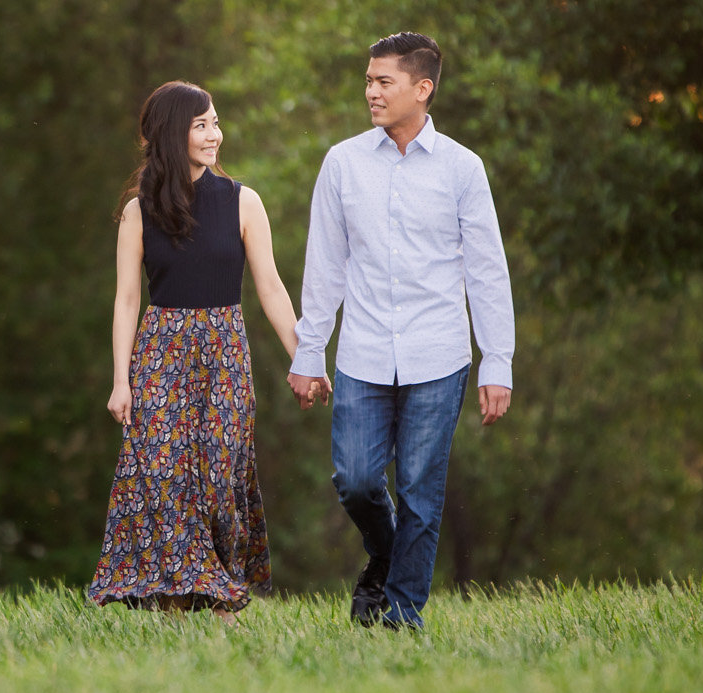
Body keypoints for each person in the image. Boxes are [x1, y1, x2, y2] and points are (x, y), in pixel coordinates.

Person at [287, 33, 515, 627]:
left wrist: (498, 361)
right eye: (368, 80)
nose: (370, 92)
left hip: (438, 355)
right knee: (357, 480)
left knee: (420, 492)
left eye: (383, 81)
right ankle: (385, 562)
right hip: (361, 352)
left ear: (423, 88)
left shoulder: (464, 169)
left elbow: (488, 270)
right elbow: (325, 266)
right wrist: (309, 351)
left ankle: (400, 615)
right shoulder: (343, 163)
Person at [88, 81, 305, 615]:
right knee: (164, 478)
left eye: (216, 123)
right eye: (201, 125)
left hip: (224, 352)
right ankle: (172, 603)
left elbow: (271, 287)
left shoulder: (243, 202)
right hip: (159, 355)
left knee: (219, 475)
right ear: (171, 133)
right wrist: (121, 381)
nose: (216, 135)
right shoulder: (139, 212)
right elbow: (126, 300)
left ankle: (224, 596)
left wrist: (307, 356)